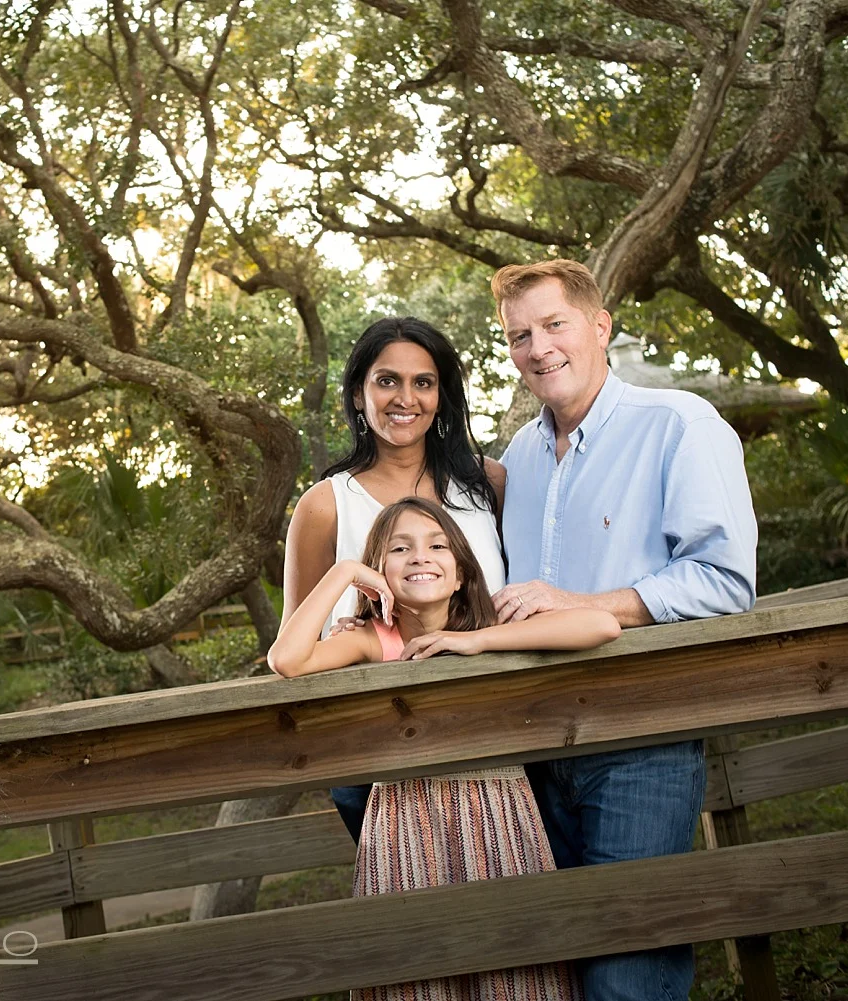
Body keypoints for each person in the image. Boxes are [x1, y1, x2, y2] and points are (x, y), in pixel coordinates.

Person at [403, 259, 756, 1001]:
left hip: (640, 741)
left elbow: (725, 581)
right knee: (552, 970)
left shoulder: (680, 424)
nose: (538, 348)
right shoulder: (520, 458)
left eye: (554, 324)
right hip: (533, 746)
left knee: (627, 980)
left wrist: (585, 601)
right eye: (518, 335)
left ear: (600, 326)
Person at [270, 496, 619, 1001]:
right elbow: (287, 659)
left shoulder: (489, 627)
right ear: (380, 573)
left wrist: (477, 644)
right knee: (418, 971)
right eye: (399, 549)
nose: (420, 557)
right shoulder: (375, 640)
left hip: (499, 814)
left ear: (459, 573)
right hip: (403, 824)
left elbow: (601, 626)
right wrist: (347, 571)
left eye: (437, 546)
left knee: (513, 972)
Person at [282, 317, 505, 843]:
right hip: (373, 754)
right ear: (359, 395)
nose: (405, 398)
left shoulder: (488, 483)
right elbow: (296, 642)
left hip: (497, 738)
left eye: (423, 382)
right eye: (387, 381)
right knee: (408, 909)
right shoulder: (325, 504)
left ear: (441, 395)